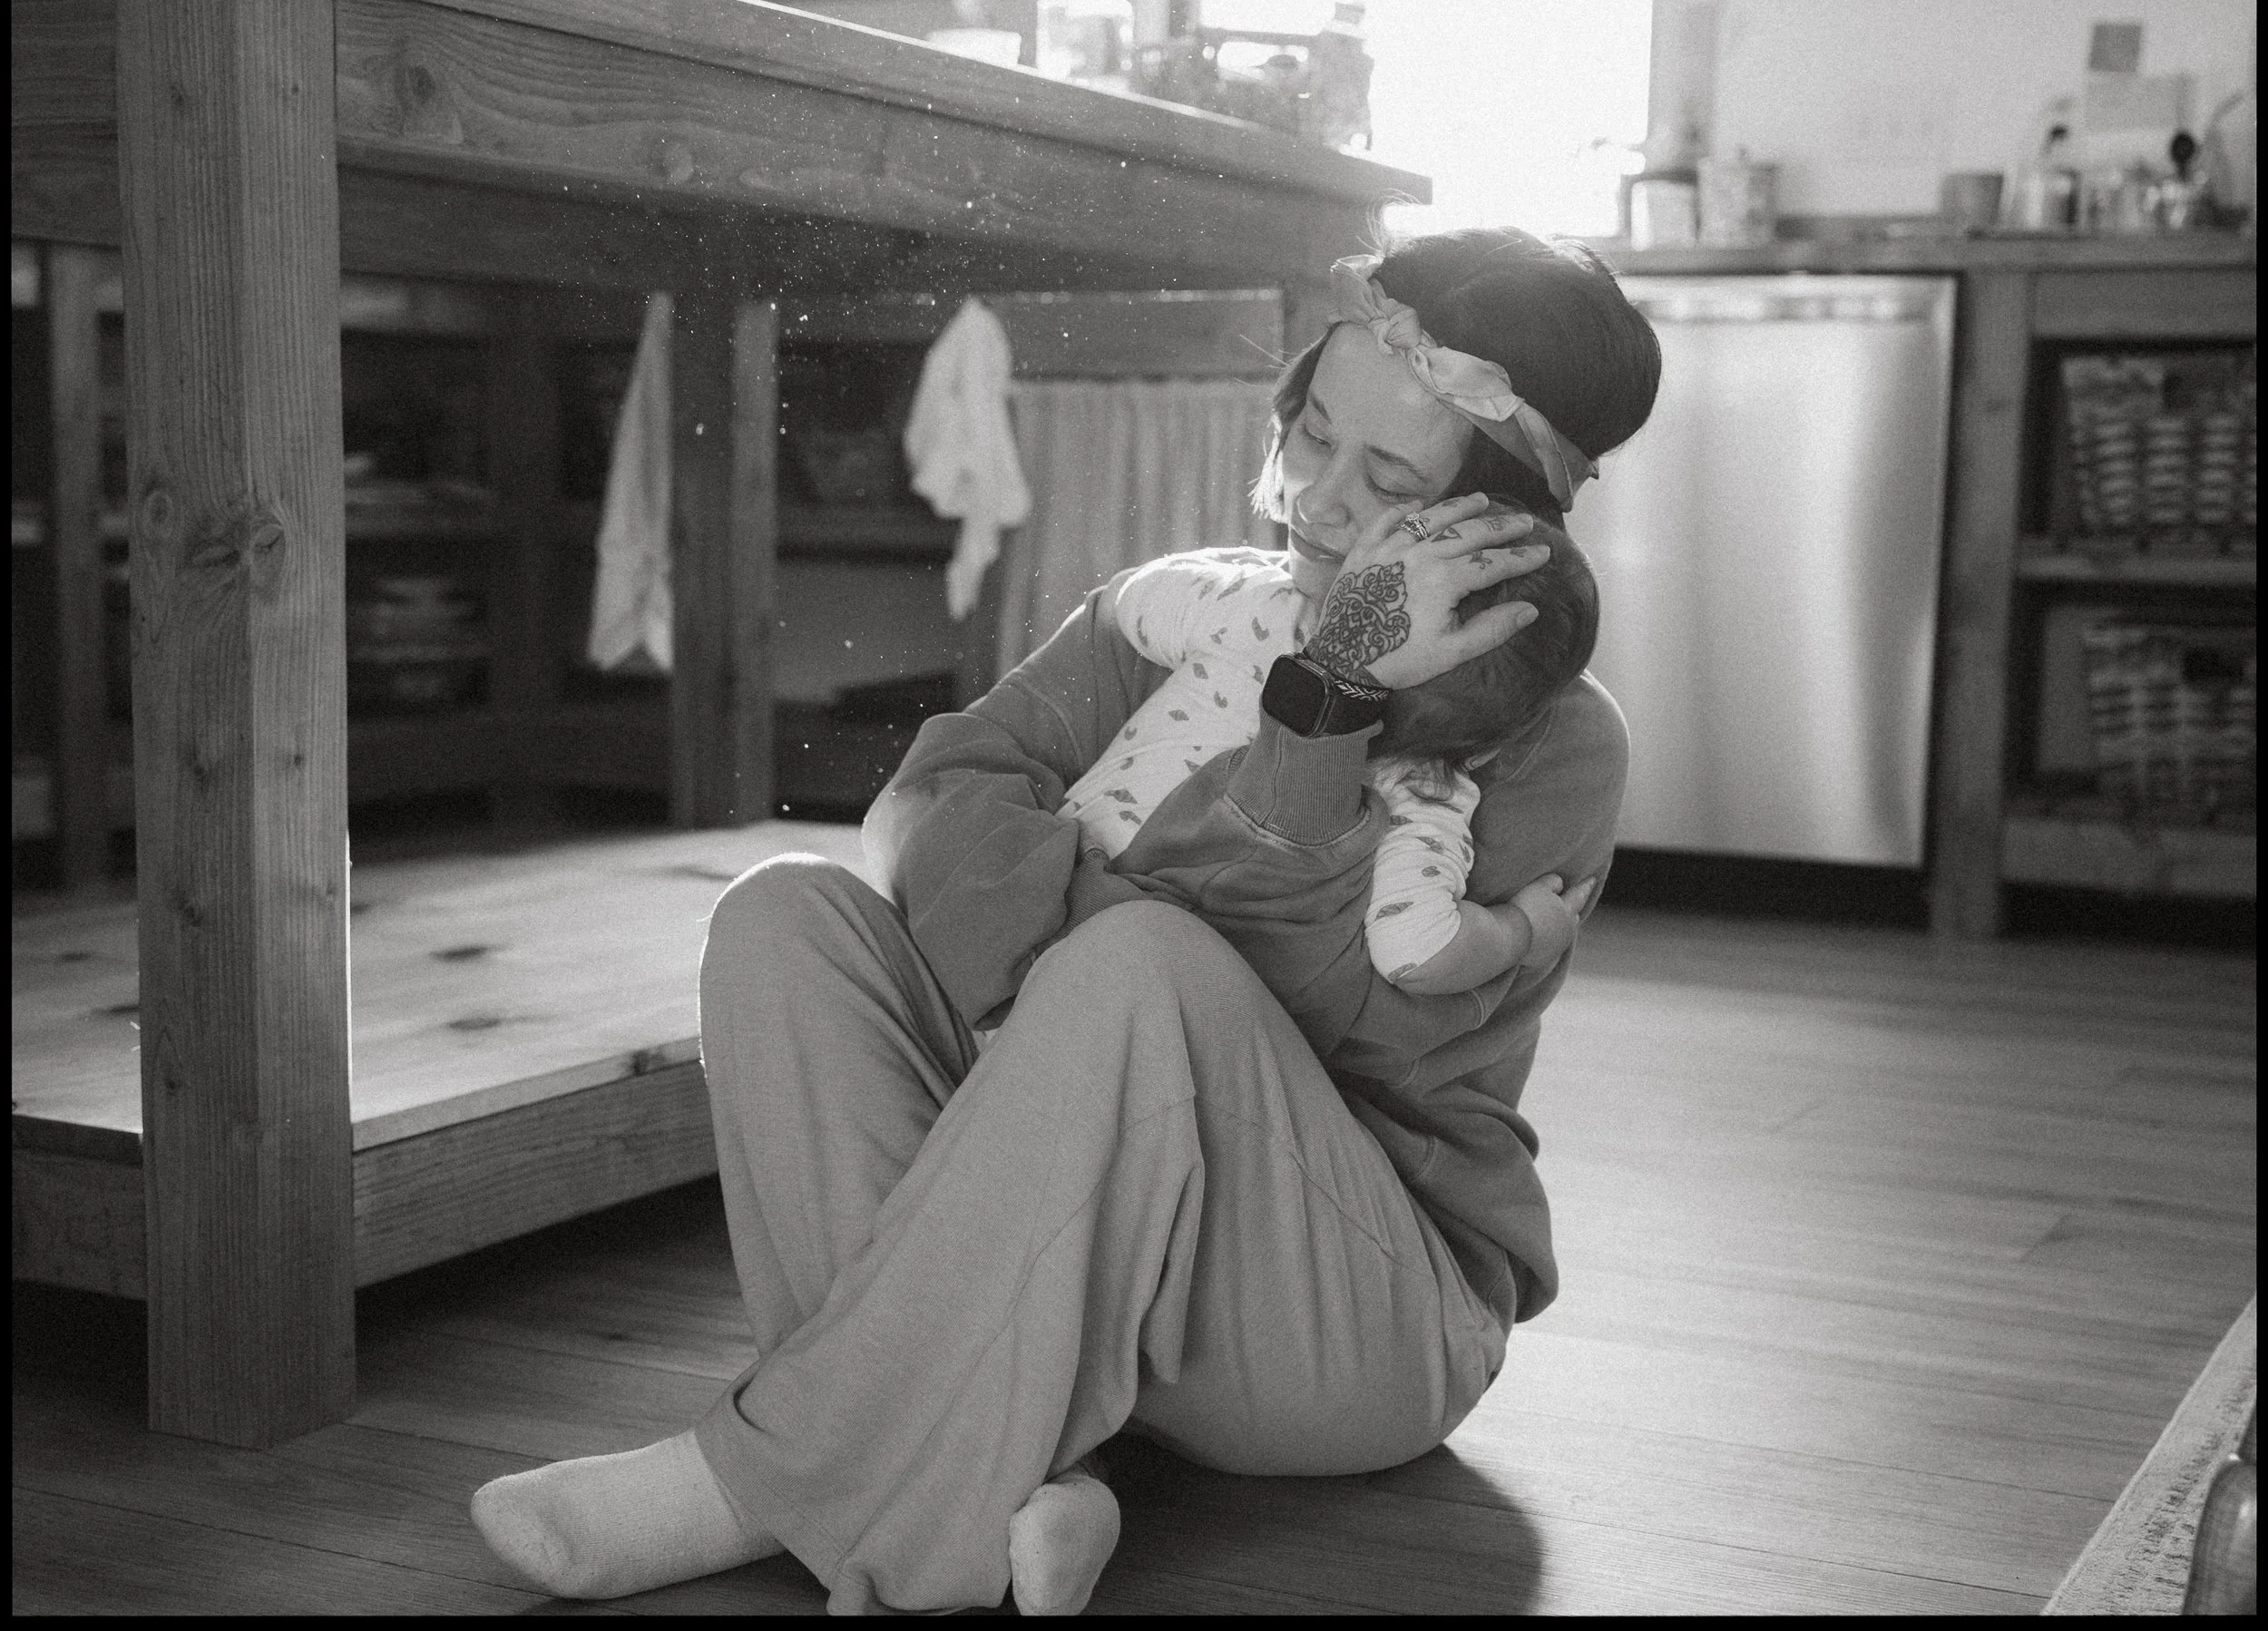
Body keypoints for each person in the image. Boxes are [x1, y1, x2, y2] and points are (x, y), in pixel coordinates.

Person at [470, 227, 1662, 1615]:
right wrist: (1074, 975)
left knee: (1142, 965)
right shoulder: (1183, 610)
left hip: (1345, 1309)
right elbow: (932, 796)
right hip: (1075, 1245)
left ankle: (758, 1478)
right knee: (786, 914)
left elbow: (1321, 1011)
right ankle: (1027, 1480)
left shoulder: (1553, 743)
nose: (1318, 500)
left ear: (1497, 533)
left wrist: (1325, 702)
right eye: (1312, 432)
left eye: (1390, 482)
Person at [1066, 517, 1603, 993]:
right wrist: (1523, 930)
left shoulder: (1263, 605)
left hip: (1058, 878)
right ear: (1490, 748)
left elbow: (1130, 603)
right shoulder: (1423, 792)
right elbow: (1416, 953)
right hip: (1154, 974)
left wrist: (1244, 568)